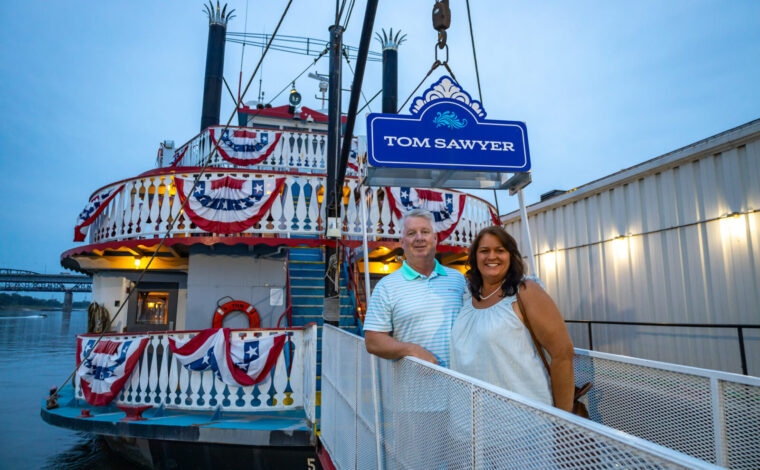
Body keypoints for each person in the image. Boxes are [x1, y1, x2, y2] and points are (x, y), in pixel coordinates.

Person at [450, 226, 575, 411]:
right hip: (469, 419)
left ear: (511, 255)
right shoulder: (468, 297)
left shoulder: (525, 291)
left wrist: (565, 421)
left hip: (521, 420)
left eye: (500, 250)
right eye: (484, 251)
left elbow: (562, 355)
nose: (492, 257)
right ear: (475, 257)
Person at [364, 208, 466, 367]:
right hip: (415, 387)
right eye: (411, 233)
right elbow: (373, 340)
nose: (419, 238)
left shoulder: (458, 279)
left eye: (425, 232)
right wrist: (410, 349)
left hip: (461, 384)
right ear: (402, 242)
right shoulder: (386, 286)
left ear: (435, 238)